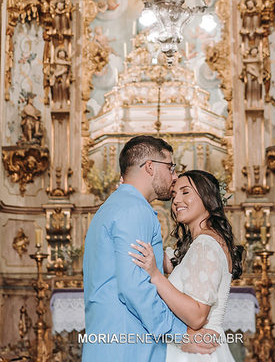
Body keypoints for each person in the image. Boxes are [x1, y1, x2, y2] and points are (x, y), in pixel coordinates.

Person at [82, 136, 217, 361]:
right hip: (130, 346)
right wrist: (181, 334)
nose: (174, 176)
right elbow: (134, 287)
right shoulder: (135, 210)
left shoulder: (110, 207)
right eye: (170, 167)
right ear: (150, 166)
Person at [128, 169, 244, 362]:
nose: (176, 201)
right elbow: (181, 272)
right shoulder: (203, 243)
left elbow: (197, 316)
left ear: (207, 197)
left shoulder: (206, 244)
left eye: (185, 192)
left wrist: (155, 275)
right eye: (174, 195)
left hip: (198, 351)